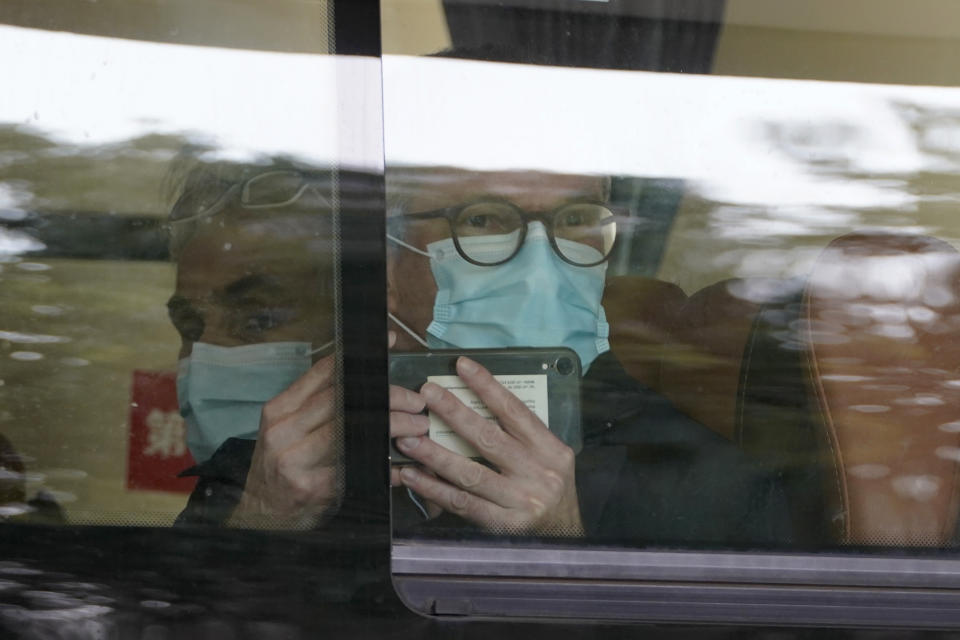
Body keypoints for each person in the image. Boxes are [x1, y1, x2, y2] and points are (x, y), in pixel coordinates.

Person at [387, 167, 793, 543]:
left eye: (574, 220)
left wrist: (561, 544)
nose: (539, 270)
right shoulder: (340, 439)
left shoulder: (705, 482)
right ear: (388, 265)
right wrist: (321, 516)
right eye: (482, 219)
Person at [166, 158, 343, 528]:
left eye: (258, 319)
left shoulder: (415, 496)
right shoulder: (214, 501)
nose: (206, 355)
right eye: (191, 327)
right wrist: (262, 520)